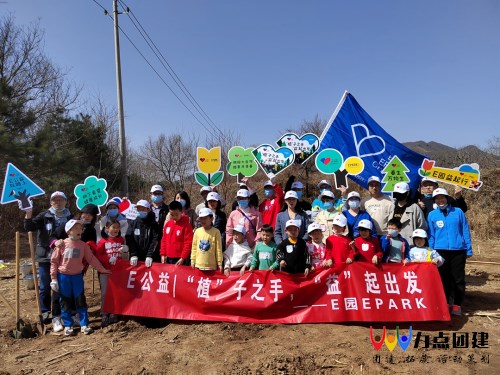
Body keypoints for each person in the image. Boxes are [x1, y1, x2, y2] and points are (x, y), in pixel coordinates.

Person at [24, 191, 73, 331]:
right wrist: (28, 213)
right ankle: (45, 311)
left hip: (64, 256)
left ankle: (60, 312)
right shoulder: (44, 215)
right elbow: (29, 227)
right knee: (45, 285)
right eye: (55, 200)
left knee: (60, 285)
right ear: (51, 202)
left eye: (61, 200)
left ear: (65, 201)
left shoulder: (69, 216)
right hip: (46, 255)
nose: (58, 202)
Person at [50, 219, 109, 336]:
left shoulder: (83, 245)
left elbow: (91, 259)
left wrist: (102, 270)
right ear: (68, 231)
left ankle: (84, 324)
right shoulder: (62, 244)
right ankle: (68, 325)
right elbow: (54, 262)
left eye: (80, 228)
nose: (79, 230)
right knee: (65, 301)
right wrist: (54, 279)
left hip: (77, 276)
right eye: (75, 228)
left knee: (80, 299)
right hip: (63, 277)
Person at [427, 188, 472, 316]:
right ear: (435, 200)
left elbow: (465, 230)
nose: (440, 200)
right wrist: (432, 252)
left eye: (442, 197)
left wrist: (468, 249)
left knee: (458, 279)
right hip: (440, 251)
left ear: (447, 198)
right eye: (437, 198)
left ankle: (457, 304)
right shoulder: (432, 215)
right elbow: (431, 235)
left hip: (458, 250)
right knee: (443, 278)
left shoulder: (457, 212)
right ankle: (446, 303)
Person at [95, 221, 125, 327]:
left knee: (116, 293)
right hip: (105, 271)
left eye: (118, 227)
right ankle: (104, 313)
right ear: (107, 228)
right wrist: (107, 259)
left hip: (117, 272)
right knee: (105, 293)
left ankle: (114, 312)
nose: (116, 229)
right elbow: (97, 256)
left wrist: (125, 251)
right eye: (114, 227)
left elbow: (124, 256)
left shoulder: (121, 240)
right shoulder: (103, 241)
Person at [126, 200, 159, 268]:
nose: (140, 211)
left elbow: (155, 240)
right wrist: (133, 254)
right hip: (135, 259)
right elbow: (129, 238)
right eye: (138, 209)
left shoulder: (154, 224)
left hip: (149, 259)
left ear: (148, 209)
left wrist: (149, 255)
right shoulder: (133, 223)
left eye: (143, 209)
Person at [160, 200, 193, 265]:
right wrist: (163, 254)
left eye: (176, 215)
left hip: (180, 258)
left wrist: (183, 257)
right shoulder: (168, 224)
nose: (174, 217)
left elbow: (188, 243)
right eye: (172, 215)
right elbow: (164, 240)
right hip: (168, 257)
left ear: (181, 212)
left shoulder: (186, 226)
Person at [191, 208, 223, 272]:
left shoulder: (216, 232)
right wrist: (193, 260)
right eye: (201, 218)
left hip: (211, 266)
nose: (203, 220)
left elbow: (218, 248)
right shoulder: (197, 231)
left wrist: (219, 263)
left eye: (205, 218)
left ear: (211, 219)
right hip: (198, 265)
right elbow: (194, 247)